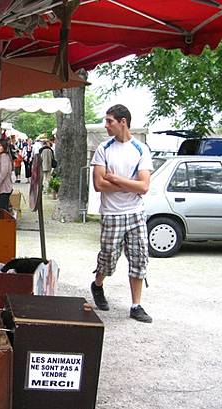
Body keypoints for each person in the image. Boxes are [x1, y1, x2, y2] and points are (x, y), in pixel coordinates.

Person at [90, 104, 154, 323]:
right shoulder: (104, 148)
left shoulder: (140, 149)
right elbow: (98, 184)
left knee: (139, 258)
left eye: (109, 121)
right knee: (108, 257)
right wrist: (131, 185)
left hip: (135, 213)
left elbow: (144, 187)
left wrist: (115, 179)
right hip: (111, 213)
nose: (106, 125)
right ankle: (98, 284)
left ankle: (136, 305)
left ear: (123, 121)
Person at [0, 138, 14, 210]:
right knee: (2, 209)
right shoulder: (1, 156)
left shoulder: (4, 156)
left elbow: (4, 172)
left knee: (2, 210)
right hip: (2, 188)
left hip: (4, 188)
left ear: (4, 147)